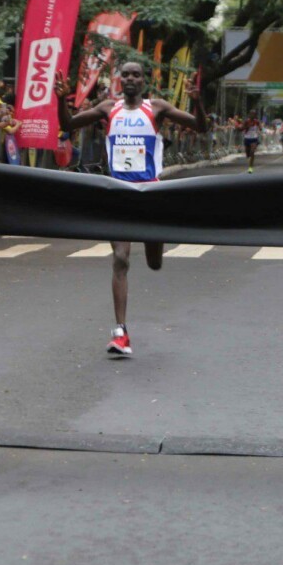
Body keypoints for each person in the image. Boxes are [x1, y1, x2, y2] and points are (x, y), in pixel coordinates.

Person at [56, 61, 206, 356]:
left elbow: (200, 127)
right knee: (121, 259)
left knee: (154, 263)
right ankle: (120, 332)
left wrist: (198, 102)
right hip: (119, 194)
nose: (130, 79)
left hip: (151, 192)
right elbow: (67, 125)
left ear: (144, 80)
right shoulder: (107, 108)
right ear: (119, 80)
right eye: (125, 74)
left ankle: (156, 240)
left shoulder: (157, 108)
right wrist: (60, 99)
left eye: (136, 74)